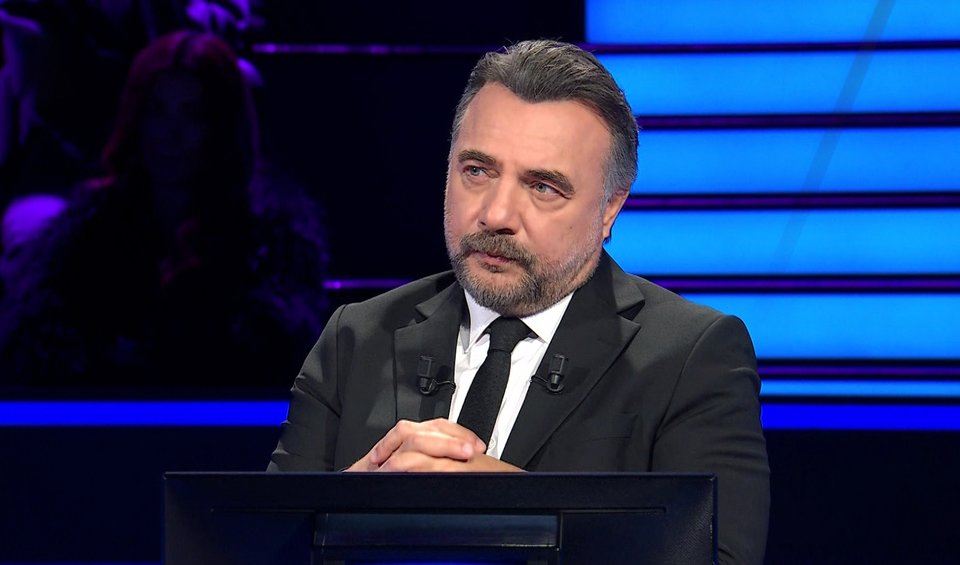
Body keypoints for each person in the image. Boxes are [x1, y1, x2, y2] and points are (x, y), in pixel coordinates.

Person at [268, 40, 769, 565]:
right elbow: (260, 542)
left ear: (609, 208)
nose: (497, 213)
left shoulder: (691, 358)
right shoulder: (356, 337)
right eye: (477, 171)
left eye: (543, 186)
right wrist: (354, 497)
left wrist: (514, 506)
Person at [0, 31, 326, 387]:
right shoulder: (90, 230)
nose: (170, 134)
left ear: (220, 125)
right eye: (156, 111)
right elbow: (37, 343)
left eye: (192, 114)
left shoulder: (269, 241)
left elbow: (274, 355)